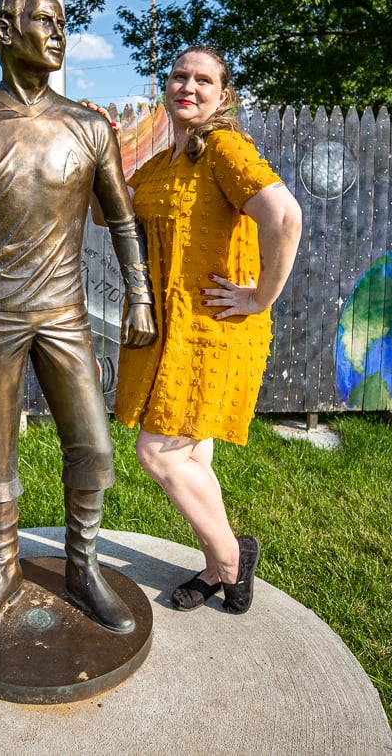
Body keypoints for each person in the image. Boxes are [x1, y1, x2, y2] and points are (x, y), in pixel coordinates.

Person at [0, 0, 158, 643]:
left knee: (95, 447)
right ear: (3, 31)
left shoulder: (88, 127)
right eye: (43, 21)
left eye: (61, 22)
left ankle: (83, 565)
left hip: (64, 313)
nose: (58, 34)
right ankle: (2, 570)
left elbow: (123, 219)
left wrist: (140, 292)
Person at [114, 45, 302, 615]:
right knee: (192, 456)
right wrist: (98, 147)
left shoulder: (223, 148)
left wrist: (261, 294)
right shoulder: (167, 158)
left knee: (159, 454)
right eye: (178, 76)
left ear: (223, 96)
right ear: (165, 88)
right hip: (173, 331)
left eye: (203, 80)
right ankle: (215, 563)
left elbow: (284, 215)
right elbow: (116, 208)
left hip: (213, 331)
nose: (187, 87)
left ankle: (229, 559)